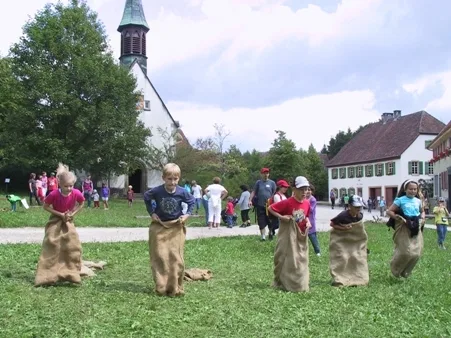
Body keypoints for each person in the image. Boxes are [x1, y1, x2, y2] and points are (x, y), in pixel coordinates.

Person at [144, 163, 195, 297]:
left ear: (179, 178)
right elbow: (146, 197)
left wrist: (186, 215)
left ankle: (175, 285)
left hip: (175, 226)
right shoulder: (157, 191)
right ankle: (161, 284)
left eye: (175, 179)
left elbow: (192, 201)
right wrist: (152, 213)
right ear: (163, 178)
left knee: (175, 256)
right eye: (169, 179)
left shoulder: (182, 191)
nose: (172, 182)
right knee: (160, 255)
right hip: (160, 226)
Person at [35, 163, 85, 286]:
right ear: (60, 184)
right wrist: (59, 214)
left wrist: (73, 213)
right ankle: (48, 271)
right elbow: (45, 206)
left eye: (71, 186)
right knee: (52, 241)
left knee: (72, 243)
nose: (69, 188)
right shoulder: (54, 194)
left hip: (68, 220)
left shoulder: (76, 193)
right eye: (66, 186)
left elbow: (82, 203)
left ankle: (70, 270)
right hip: (56, 220)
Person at [268, 176, 311, 292]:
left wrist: (308, 222)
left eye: (306, 189)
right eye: (301, 189)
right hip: (288, 235)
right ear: (294, 189)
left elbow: (306, 216)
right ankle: (282, 282)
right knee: (286, 258)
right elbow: (271, 208)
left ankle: (300, 283)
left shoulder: (307, 203)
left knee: (301, 260)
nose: (304, 192)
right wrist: (282, 217)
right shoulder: (288, 202)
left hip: (301, 235)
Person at [386, 180, 425, 278]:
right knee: (405, 252)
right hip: (404, 226)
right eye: (410, 189)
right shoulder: (400, 200)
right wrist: (397, 218)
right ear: (405, 189)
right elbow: (389, 211)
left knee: (416, 253)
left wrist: (423, 218)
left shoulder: (418, 201)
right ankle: (395, 269)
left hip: (416, 226)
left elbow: (422, 211)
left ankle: (405, 272)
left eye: (415, 189)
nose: (413, 191)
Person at [329, 195, 369, 287]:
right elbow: (332, 224)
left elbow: (359, 230)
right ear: (350, 206)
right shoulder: (343, 215)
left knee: (357, 257)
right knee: (343, 257)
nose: (358, 209)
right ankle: (340, 278)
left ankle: (358, 278)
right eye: (356, 207)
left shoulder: (360, 216)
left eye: (360, 207)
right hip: (341, 240)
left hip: (354, 241)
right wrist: (344, 228)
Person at [249, 168, 276, 241]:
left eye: (267, 173)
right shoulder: (258, 182)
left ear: (269, 174)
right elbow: (254, 192)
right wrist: (250, 200)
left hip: (269, 206)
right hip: (260, 205)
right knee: (261, 221)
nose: (266, 174)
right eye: (264, 173)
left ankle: (270, 232)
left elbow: (274, 193)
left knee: (270, 220)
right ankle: (263, 236)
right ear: (261, 174)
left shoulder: (272, 183)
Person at [306, 184, 321, 256]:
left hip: (311, 220)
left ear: (312, 191)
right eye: (306, 190)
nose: (308, 191)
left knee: (312, 236)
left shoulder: (312, 199)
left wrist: (305, 204)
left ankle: (317, 251)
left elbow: (311, 210)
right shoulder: (303, 198)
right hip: (304, 220)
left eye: (309, 190)